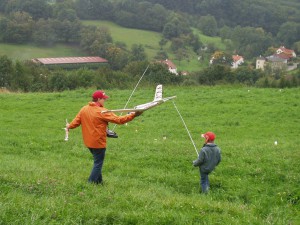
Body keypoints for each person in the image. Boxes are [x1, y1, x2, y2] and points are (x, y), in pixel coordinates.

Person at [67, 90, 142, 185]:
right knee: (98, 164)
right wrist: (133, 115)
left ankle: (100, 182)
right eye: (103, 99)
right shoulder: (101, 112)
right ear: (98, 99)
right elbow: (119, 120)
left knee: (97, 162)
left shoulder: (84, 109)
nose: (104, 101)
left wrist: (69, 126)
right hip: (98, 142)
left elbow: (76, 122)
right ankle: (90, 183)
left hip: (88, 142)